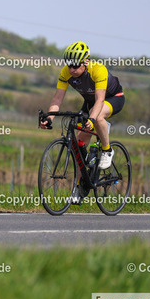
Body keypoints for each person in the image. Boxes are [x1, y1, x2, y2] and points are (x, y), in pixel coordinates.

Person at [40, 41, 125, 200]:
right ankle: (80, 188)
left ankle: (107, 150)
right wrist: (50, 117)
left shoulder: (98, 70)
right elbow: (57, 98)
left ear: (85, 62)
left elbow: (100, 100)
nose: (72, 69)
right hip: (90, 103)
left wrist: (92, 119)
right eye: (69, 65)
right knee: (79, 145)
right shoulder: (66, 72)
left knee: (97, 116)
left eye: (75, 65)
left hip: (113, 98)